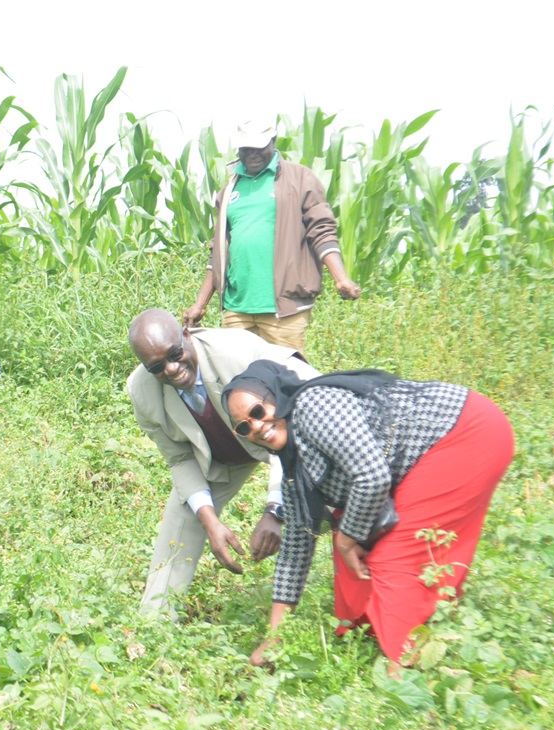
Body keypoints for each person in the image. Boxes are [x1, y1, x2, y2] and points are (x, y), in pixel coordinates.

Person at [221, 361, 515, 676]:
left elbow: (372, 477)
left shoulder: (313, 405)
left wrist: (350, 539)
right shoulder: (292, 458)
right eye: (243, 427)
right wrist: (274, 637)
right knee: (349, 540)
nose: (256, 426)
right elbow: (296, 545)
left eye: (257, 411)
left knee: (395, 557)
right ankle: (373, 632)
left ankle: (401, 674)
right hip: (412, 463)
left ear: (277, 397)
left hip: (462, 435)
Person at [126, 309, 319, 615]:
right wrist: (210, 521)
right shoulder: (142, 392)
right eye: (157, 367)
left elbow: (294, 422)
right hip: (221, 456)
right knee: (186, 514)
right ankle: (154, 624)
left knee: (336, 498)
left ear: (187, 335)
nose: (172, 369)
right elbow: (179, 458)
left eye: (175, 354)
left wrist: (275, 510)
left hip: (288, 429)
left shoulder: (238, 353)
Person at [183, 119, 361, 351]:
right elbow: (217, 252)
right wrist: (200, 304)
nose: (252, 154)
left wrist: (341, 277)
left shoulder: (300, 179)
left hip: (284, 311)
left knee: (286, 381)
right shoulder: (230, 189)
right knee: (238, 381)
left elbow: (322, 231)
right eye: (246, 149)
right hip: (237, 310)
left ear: (273, 142)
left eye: (259, 147)